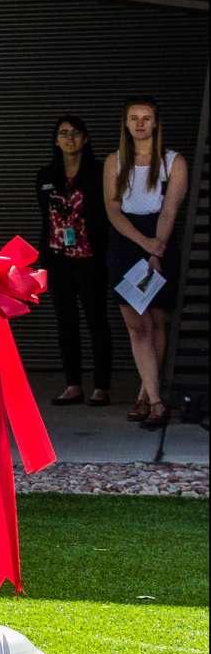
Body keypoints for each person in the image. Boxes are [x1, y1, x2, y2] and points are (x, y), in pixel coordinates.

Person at [103, 97, 187, 430]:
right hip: (126, 240)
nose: (140, 124)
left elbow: (169, 209)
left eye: (146, 118)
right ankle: (156, 402)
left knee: (156, 320)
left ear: (156, 123)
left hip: (161, 238)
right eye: (133, 118)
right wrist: (143, 243)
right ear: (125, 124)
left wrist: (157, 249)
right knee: (136, 323)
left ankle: (145, 394)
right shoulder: (114, 161)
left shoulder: (173, 162)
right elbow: (112, 209)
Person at [37, 114, 112, 407]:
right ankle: (73, 385)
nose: (69, 138)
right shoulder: (46, 175)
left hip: (91, 257)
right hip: (58, 258)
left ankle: (102, 386)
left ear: (85, 138)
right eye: (63, 133)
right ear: (56, 140)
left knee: (96, 321)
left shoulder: (99, 172)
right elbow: (46, 217)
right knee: (65, 322)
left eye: (75, 133)